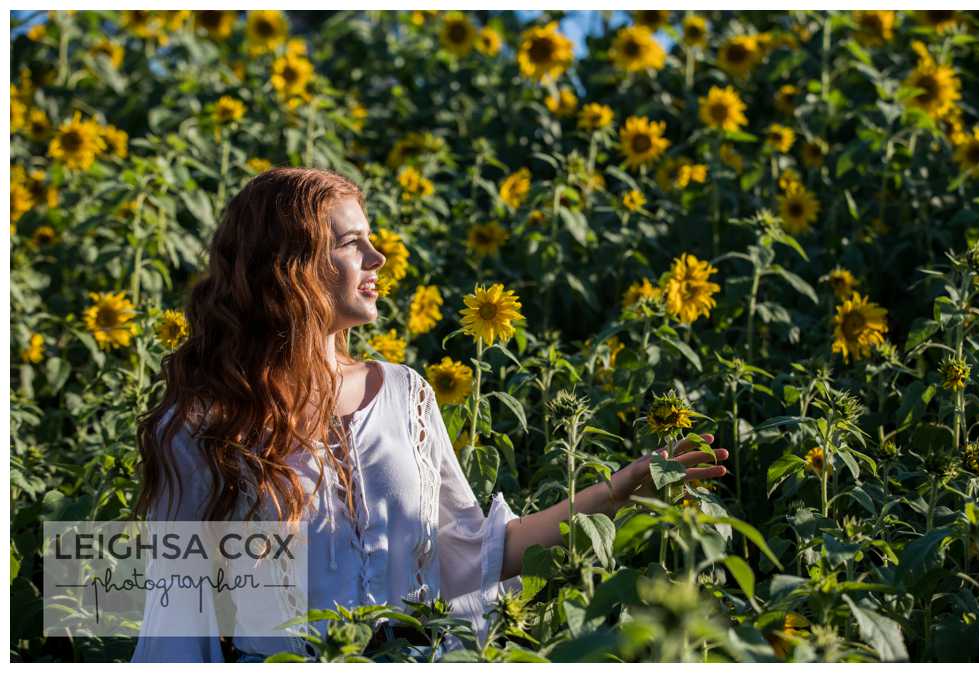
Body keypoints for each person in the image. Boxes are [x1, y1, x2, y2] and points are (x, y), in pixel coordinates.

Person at [130, 168, 728, 662]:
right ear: (288, 265)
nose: (378, 257)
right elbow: (176, 617)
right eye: (349, 243)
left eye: (369, 239)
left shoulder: (404, 394)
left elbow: (475, 554)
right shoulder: (205, 425)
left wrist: (620, 490)